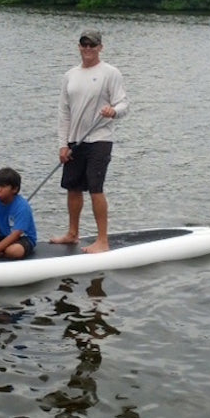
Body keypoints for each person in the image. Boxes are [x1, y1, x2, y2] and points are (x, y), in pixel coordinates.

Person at [50, 29, 129, 253]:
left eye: (92, 45)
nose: (87, 49)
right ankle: (72, 234)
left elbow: (124, 105)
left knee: (95, 188)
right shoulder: (70, 75)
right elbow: (63, 113)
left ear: (100, 48)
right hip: (75, 141)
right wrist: (63, 145)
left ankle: (102, 240)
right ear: (79, 47)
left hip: (99, 139)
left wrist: (113, 111)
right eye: (84, 45)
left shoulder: (110, 73)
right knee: (73, 188)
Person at [0, 167, 38, 261]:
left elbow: (16, 234)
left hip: (22, 238)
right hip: (0, 236)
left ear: (14, 189)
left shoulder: (22, 206)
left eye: (2, 186)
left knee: (13, 251)